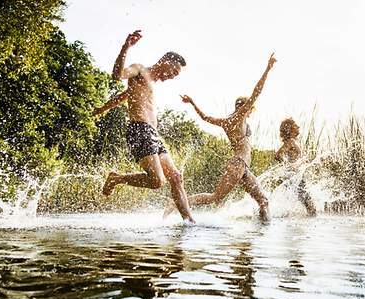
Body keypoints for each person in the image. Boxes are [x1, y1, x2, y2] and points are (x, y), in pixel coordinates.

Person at [93, 30, 195, 224]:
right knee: (157, 181)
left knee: (175, 176)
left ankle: (189, 221)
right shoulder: (140, 69)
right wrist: (126, 47)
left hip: (153, 134)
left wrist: (103, 108)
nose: (173, 76)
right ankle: (116, 178)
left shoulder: (152, 83)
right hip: (139, 130)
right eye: (174, 71)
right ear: (166, 60)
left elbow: (123, 96)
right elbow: (117, 75)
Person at [173, 53, 277, 222]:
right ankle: (176, 203)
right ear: (245, 109)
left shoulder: (226, 121)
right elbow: (256, 93)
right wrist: (268, 69)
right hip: (238, 164)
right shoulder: (239, 116)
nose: (249, 110)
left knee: (263, 201)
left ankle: (260, 233)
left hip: (242, 168)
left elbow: (205, 117)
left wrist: (192, 103)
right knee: (215, 197)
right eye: (248, 108)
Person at [275, 118, 316, 216]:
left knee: (306, 203)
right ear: (290, 129)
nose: (298, 127)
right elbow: (278, 155)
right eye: (295, 125)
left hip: (296, 176)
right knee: (311, 207)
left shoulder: (292, 142)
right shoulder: (290, 142)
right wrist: (290, 166)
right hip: (294, 177)